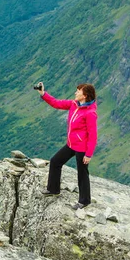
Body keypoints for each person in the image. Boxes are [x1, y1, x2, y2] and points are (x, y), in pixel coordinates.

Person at [36, 82, 98, 210]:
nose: (75, 93)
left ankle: (84, 201)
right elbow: (56, 103)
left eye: (78, 91)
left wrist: (88, 154)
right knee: (55, 161)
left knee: (82, 173)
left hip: (82, 148)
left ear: (85, 95)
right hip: (71, 144)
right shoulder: (74, 104)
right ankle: (53, 189)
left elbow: (93, 135)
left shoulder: (90, 113)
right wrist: (43, 93)